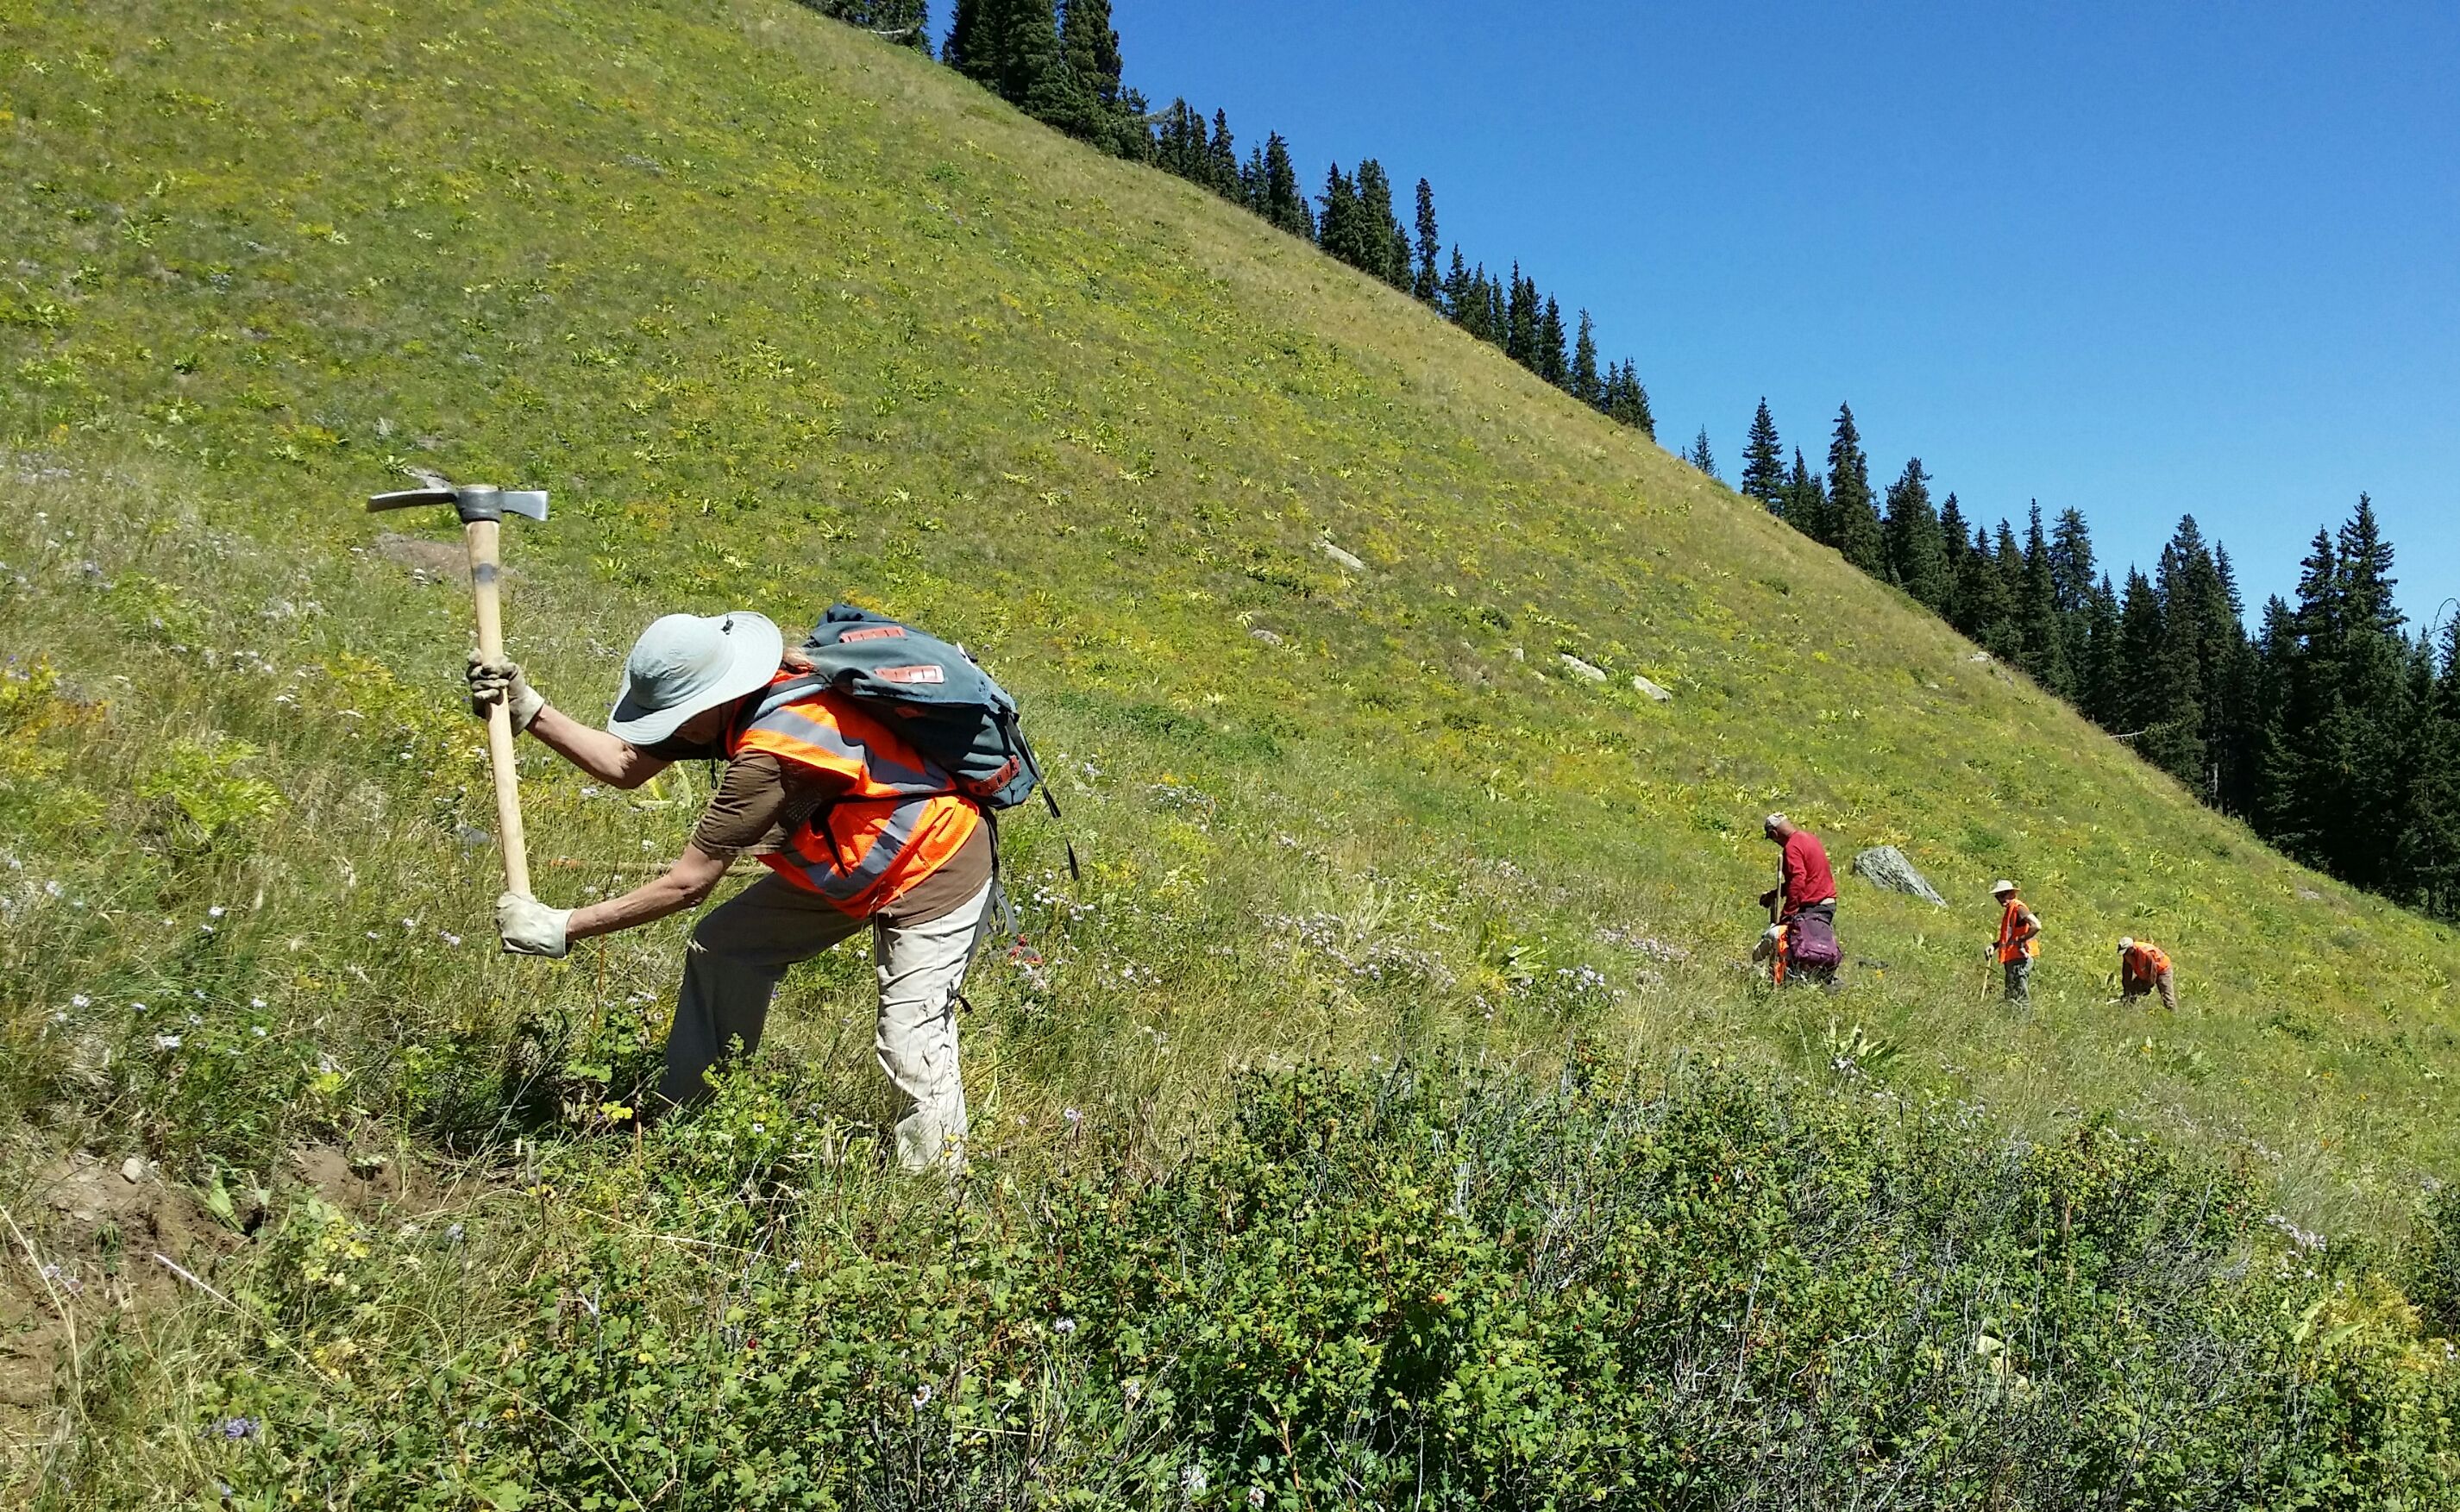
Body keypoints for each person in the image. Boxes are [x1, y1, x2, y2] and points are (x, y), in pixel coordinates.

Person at [468, 612, 993, 1172]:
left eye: (676, 716)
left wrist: (562, 926)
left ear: (711, 700)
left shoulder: (772, 753)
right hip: (857, 862)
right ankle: (691, 1117)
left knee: (910, 1038)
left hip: (935, 865)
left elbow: (688, 883)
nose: (670, 728)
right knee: (725, 947)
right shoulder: (742, 699)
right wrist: (530, 709)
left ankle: (935, 1191)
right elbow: (625, 763)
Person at [1756, 814, 1842, 987]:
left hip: (1813, 906)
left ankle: (1795, 986)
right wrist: (1775, 894)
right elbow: (1801, 879)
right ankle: (1813, 985)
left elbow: (1798, 880)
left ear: (1774, 834)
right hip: (1826, 903)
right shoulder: (1809, 838)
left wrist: (1787, 914)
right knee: (1812, 949)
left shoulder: (1791, 847)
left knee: (1803, 951)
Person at [1989, 880, 2040, 1005]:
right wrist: (1994, 946)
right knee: (2011, 996)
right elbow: (2010, 937)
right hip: (2013, 958)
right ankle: (2011, 1016)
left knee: (2021, 998)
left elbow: (2036, 925)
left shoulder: (2018, 908)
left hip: (2020, 958)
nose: (2001, 899)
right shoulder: (2011, 910)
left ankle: (2023, 1018)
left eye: (2003, 894)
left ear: (2012, 893)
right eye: (1998, 896)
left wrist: (2021, 940)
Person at [2118, 937, 2176, 1011]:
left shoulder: (2146, 953)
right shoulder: (2127, 954)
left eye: (2126, 952)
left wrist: (2147, 986)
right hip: (2145, 973)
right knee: (2132, 991)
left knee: (2167, 997)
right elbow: (2126, 973)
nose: (2126, 955)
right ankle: (2127, 1010)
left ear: (2131, 948)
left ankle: (2173, 1014)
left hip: (2162, 970)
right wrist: (2127, 990)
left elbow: (2152, 972)